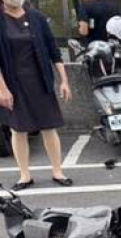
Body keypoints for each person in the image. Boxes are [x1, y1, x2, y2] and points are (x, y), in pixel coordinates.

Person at [0, 0, 73, 190]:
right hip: (13, 83)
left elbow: (53, 51)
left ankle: (57, 171)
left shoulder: (37, 17)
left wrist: (64, 80)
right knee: (18, 129)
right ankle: (25, 176)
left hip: (40, 79)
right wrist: (2, 89)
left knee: (49, 127)